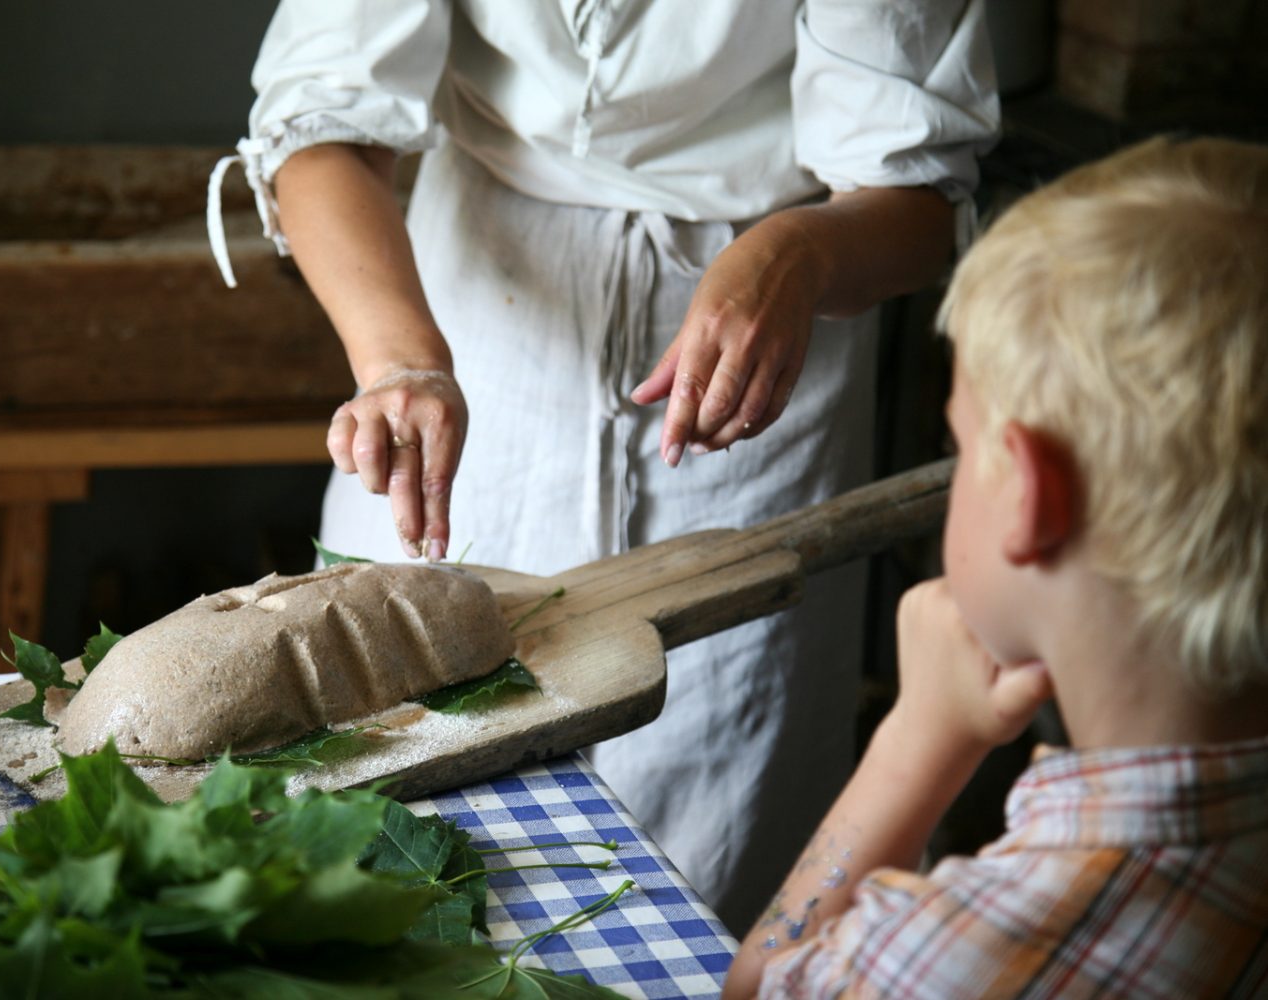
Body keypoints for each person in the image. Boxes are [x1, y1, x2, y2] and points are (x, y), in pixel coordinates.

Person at [207, 1, 999, 934]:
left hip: (758, 356)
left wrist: (797, 253)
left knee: (714, 843)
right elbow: (321, 125)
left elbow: (916, 202)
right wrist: (400, 362)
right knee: (395, 808)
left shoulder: (791, 273)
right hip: (468, 324)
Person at [724, 135, 1268, 999]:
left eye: (960, 444)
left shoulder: (948, 963)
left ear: (1024, 494)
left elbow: (757, 990)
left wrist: (918, 737)